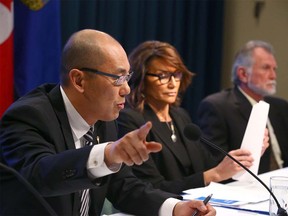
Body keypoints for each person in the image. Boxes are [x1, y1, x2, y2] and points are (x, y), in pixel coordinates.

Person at [0, 29, 216, 216]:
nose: (127, 89)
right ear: (79, 80)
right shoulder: (28, 115)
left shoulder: (105, 119)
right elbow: (39, 175)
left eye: (127, 77)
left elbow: (123, 186)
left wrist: (175, 208)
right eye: (117, 78)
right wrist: (107, 155)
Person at [117, 40, 265, 194]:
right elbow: (152, 188)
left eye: (176, 74)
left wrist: (248, 153)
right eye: (162, 76)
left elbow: (208, 165)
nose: (173, 83)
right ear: (141, 78)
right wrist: (215, 174)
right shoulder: (130, 121)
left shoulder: (180, 116)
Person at [197, 40, 288, 174]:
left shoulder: (280, 106)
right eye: (266, 68)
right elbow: (214, 164)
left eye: (274, 69)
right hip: (245, 186)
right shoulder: (217, 106)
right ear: (243, 74)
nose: (273, 76)